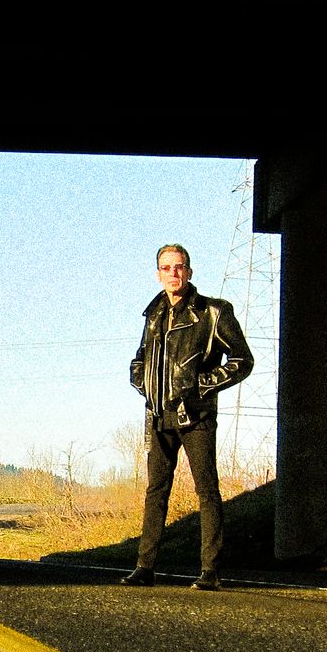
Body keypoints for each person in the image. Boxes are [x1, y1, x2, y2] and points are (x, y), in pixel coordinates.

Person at [123, 243, 254, 591]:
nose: (173, 273)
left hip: (195, 415)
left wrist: (201, 387)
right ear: (158, 274)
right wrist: (142, 382)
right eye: (166, 268)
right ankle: (144, 567)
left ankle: (210, 571)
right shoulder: (153, 315)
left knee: (207, 490)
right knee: (155, 491)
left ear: (189, 272)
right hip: (158, 415)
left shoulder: (213, 312)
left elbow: (243, 360)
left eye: (179, 267)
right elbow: (140, 358)